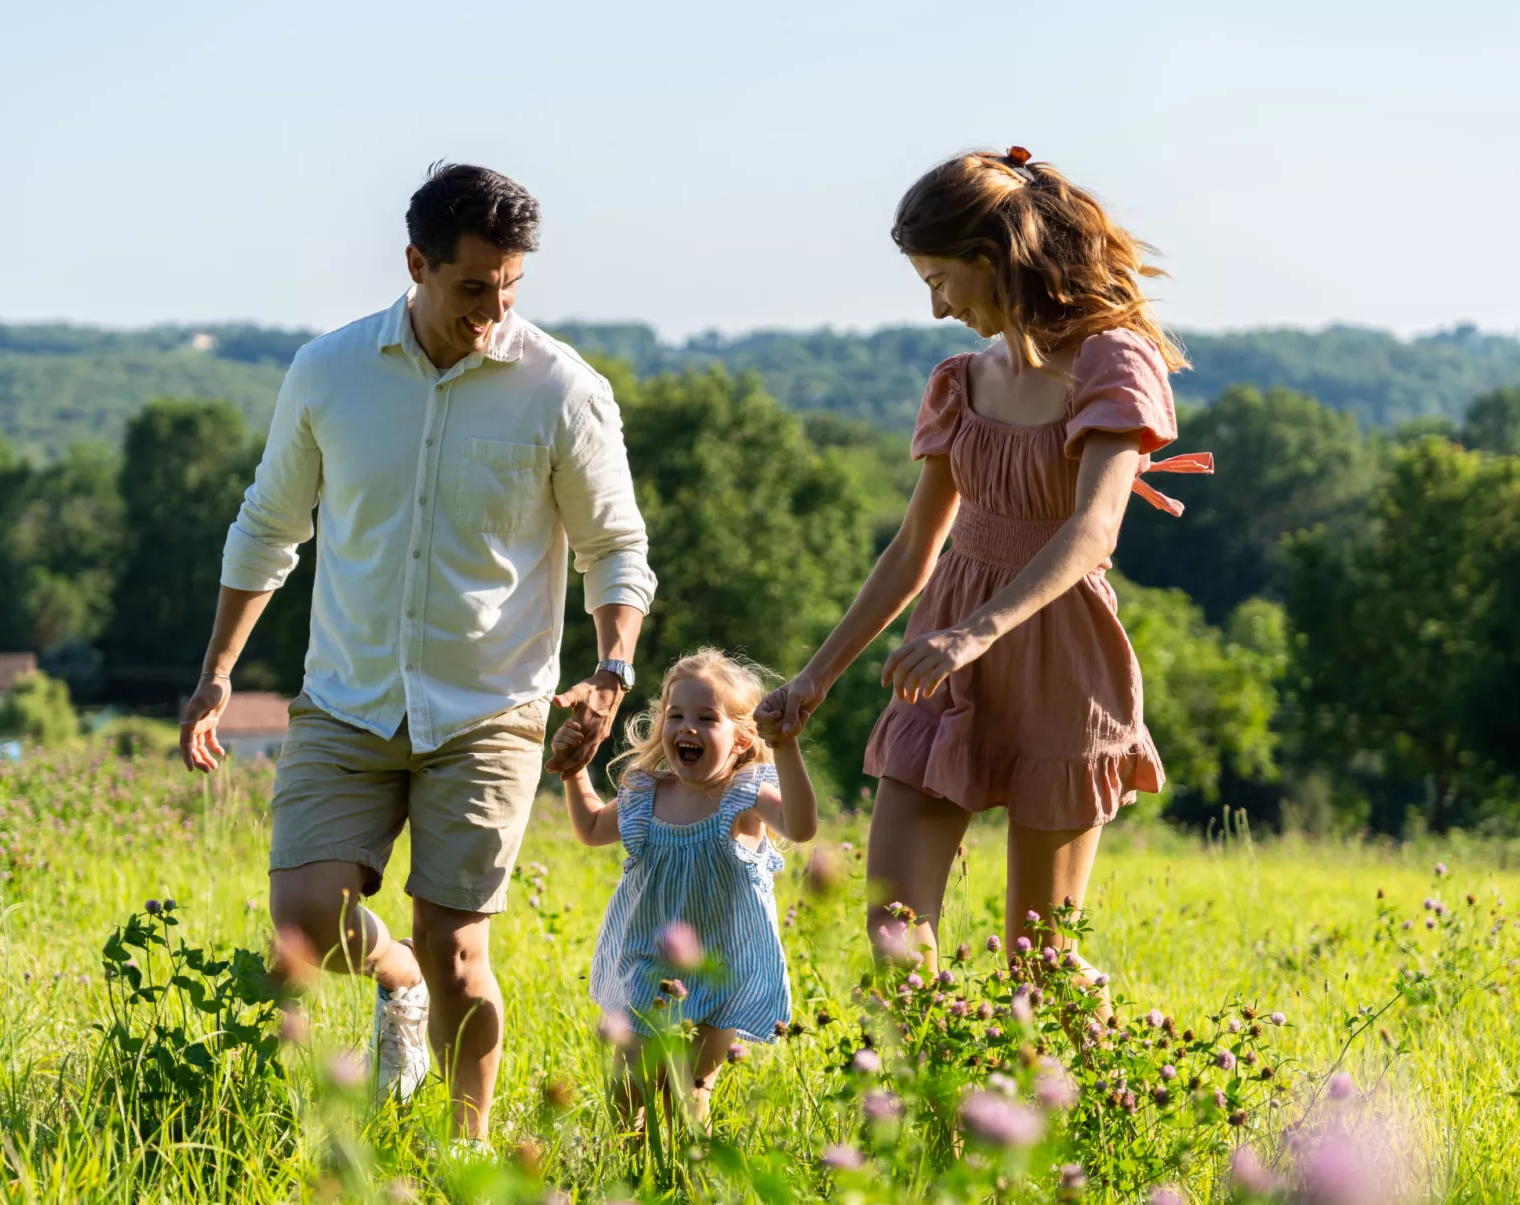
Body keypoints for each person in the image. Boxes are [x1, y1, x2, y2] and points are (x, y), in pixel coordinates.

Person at [177, 163, 656, 1138]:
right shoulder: (328, 370)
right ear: (416, 264)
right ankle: (390, 979)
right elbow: (269, 526)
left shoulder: (561, 388)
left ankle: (464, 1152)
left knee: (458, 948)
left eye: (510, 287)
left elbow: (614, 548)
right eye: (471, 286)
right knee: (303, 925)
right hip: (347, 697)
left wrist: (610, 671)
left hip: (489, 708)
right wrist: (217, 672)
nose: (492, 309)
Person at [756, 147, 1210, 980]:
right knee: (894, 935)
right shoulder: (960, 381)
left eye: (940, 279)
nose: (936, 308)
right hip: (944, 666)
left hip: (1058, 660)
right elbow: (913, 549)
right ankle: (937, 1110)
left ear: (993, 261)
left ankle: (1090, 1105)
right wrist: (814, 678)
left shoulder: (1112, 360)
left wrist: (975, 632)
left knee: (1039, 966)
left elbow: (1093, 530)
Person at [555, 648, 817, 1124]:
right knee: (626, 1092)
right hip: (645, 966)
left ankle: (681, 1186)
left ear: (741, 738)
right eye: (675, 715)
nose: (686, 727)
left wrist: (786, 746)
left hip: (719, 973)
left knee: (687, 1094)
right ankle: (624, 1186)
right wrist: (574, 772)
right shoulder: (646, 792)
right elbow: (592, 829)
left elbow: (801, 826)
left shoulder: (747, 796)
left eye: (706, 717)